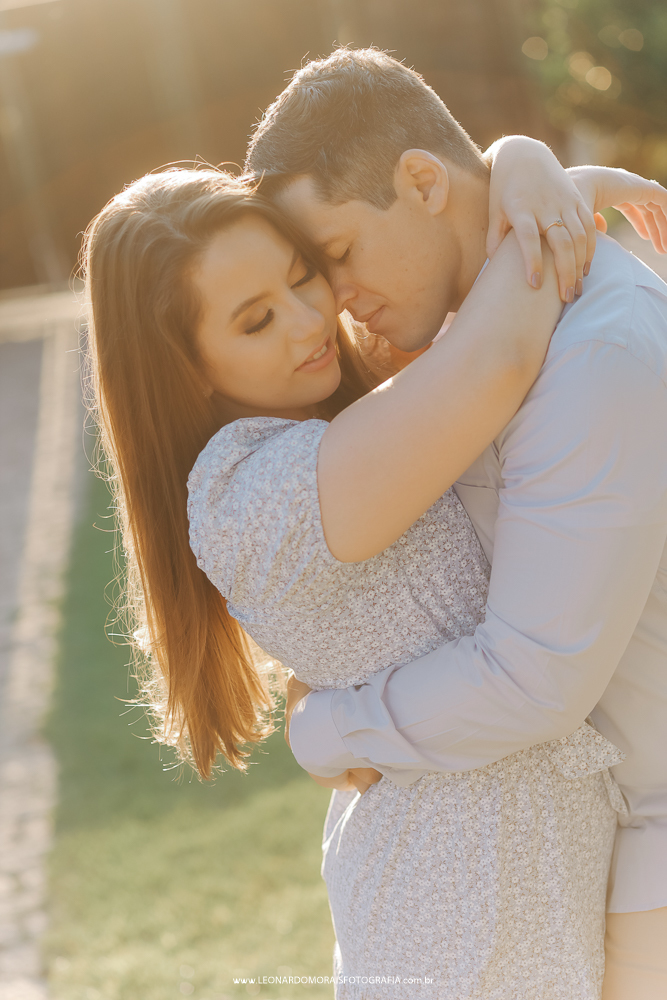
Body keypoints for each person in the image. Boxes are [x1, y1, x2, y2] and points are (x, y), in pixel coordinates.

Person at [245, 48, 667, 999]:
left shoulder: (597, 350)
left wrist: (326, 729)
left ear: (423, 181)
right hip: (573, 841)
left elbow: (532, 677)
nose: (337, 300)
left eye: (340, 254)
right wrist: (528, 160)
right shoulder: (459, 323)